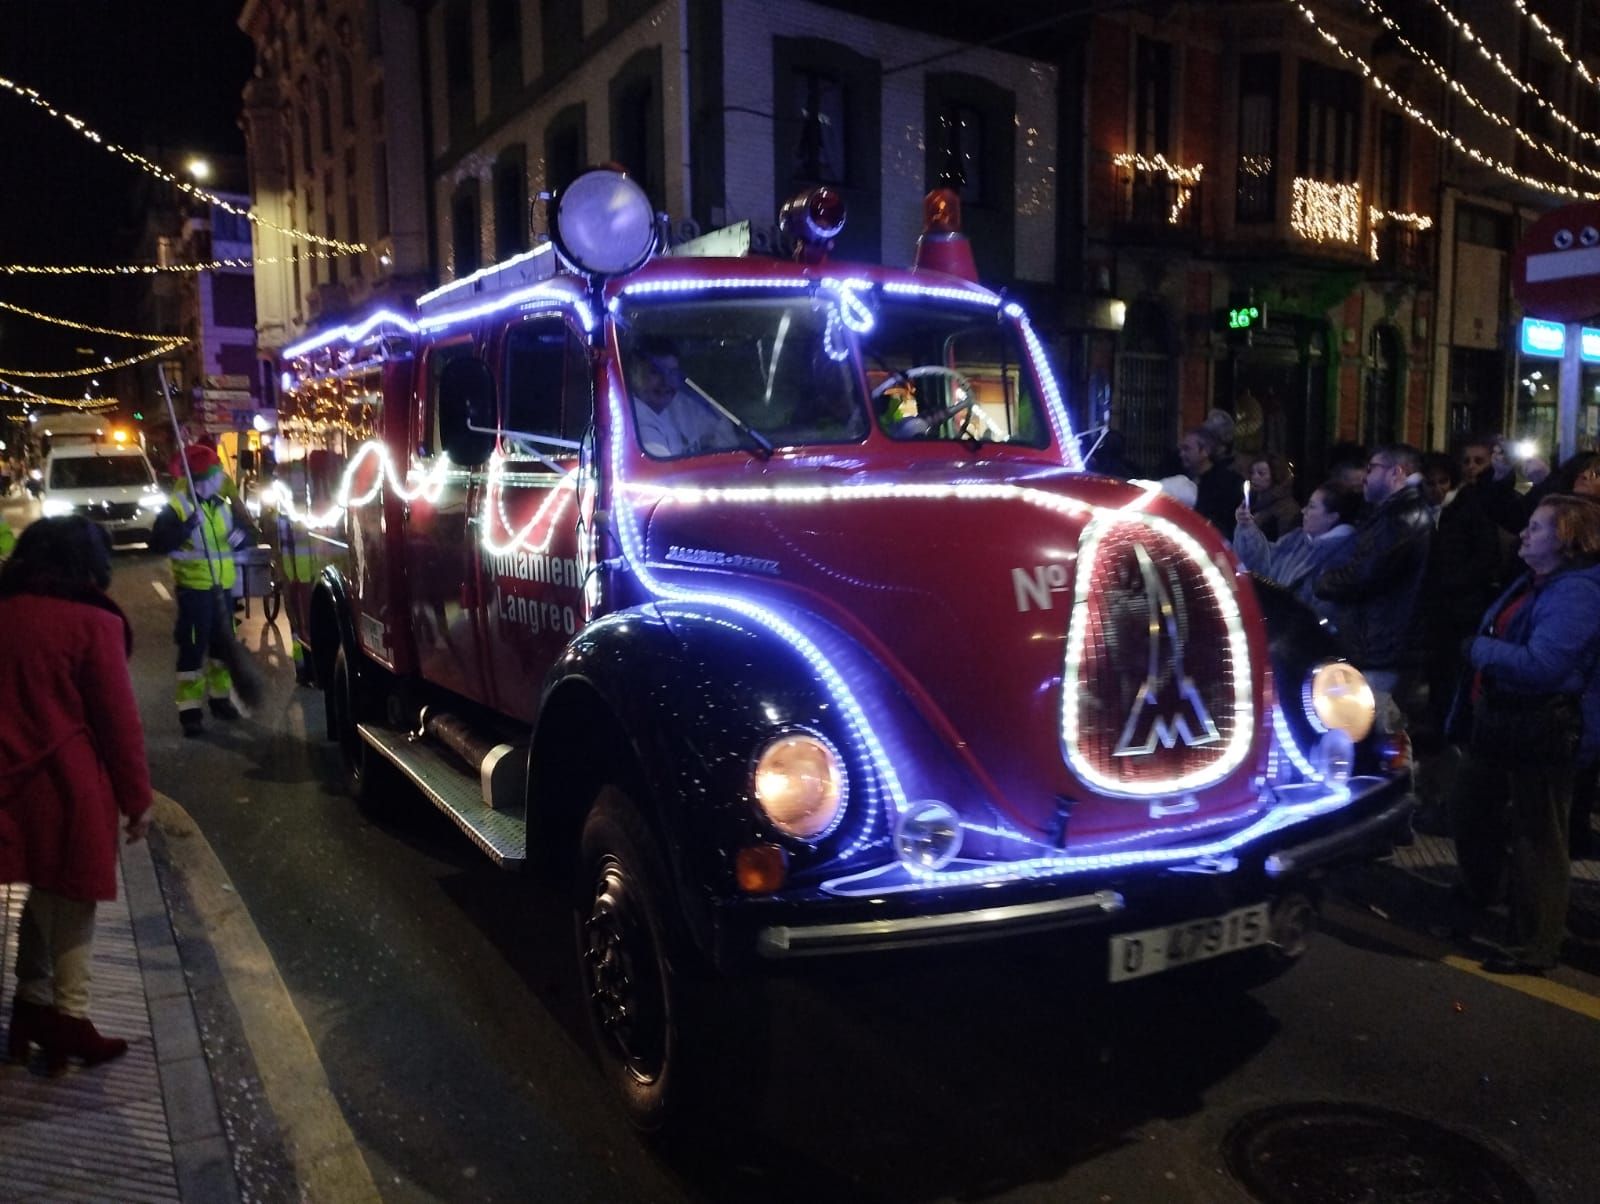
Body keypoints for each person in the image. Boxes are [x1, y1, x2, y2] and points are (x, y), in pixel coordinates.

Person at [0, 516, 151, 1072]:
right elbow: (118, 722)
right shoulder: (92, 622)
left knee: (44, 892)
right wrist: (138, 800)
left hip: (9, 781)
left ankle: (30, 1006)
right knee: (73, 897)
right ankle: (70, 1018)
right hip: (65, 786)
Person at [1448, 495, 1600, 974]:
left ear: (1567, 540)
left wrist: (1480, 651)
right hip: (1502, 720)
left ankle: (1534, 944)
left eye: (1536, 528)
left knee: (1538, 837)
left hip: (1543, 725)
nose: (1525, 534)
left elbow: (1545, 665)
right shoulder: (1537, 581)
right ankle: (1483, 892)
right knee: (1469, 806)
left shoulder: (1576, 593)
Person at [1313, 444, 1433, 727]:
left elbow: (1363, 575)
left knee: (1377, 734)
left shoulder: (1400, 518)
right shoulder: (1393, 513)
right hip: (1381, 643)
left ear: (1396, 473)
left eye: (1372, 468)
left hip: (1384, 647)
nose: (1365, 476)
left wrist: (1324, 580)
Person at [149, 444, 252, 737]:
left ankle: (220, 700)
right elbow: (158, 543)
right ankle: (190, 712)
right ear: (204, 479)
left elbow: (246, 533)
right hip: (194, 592)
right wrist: (184, 528)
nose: (221, 479)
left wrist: (240, 537)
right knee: (193, 649)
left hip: (223, 588)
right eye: (217, 473)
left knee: (222, 648)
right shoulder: (178, 508)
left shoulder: (221, 504)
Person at [1233, 481, 1360, 620]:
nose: (1303, 511)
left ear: (1332, 517)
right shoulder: (1298, 539)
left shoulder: (1340, 557)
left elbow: (1321, 614)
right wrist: (1247, 527)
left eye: (1311, 507)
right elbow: (1265, 561)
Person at [625, 334, 739, 457]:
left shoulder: (676, 403)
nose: (666, 381)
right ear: (634, 373)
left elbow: (726, 439)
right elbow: (664, 472)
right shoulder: (637, 422)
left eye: (673, 372)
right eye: (655, 372)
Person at [1177, 426, 1245, 539]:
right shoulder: (1184, 478)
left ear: (1205, 451)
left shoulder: (1227, 482)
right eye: (1181, 449)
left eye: (1187, 449)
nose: (1181, 454)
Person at [1246, 453, 1301, 540]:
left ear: (1275, 475)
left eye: (1261, 473)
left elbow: (1285, 544)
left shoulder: (1287, 509)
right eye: (1252, 473)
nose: (1254, 477)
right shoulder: (1252, 500)